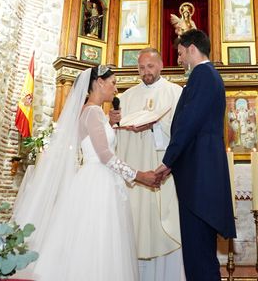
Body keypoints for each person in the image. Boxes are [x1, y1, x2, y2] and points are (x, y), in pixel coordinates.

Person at [12, 66, 160, 281]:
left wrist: (109, 123)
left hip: (96, 179)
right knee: (97, 242)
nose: (115, 89)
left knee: (92, 241)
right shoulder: (92, 111)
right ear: (99, 82)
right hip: (98, 183)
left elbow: (95, 143)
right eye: (113, 83)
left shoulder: (93, 112)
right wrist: (139, 175)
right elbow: (105, 155)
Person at [156, 29, 236, 281]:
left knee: (198, 253)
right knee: (200, 252)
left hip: (199, 174)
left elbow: (188, 123)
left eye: (180, 53)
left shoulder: (202, 75)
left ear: (192, 48)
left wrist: (167, 161)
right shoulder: (208, 76)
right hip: (200, 172)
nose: (178, 59)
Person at [111, 48, 185, 281]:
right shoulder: (126, 96)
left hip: (161, 170)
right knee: (134, 225)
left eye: (150, 67)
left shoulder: (176, 93)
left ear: (161, 65)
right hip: (135, 173)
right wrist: (113, 122)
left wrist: (154, 126)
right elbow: (114, 138)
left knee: (161, 223)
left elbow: (182, 131)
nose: (146, 72)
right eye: (141, 68)